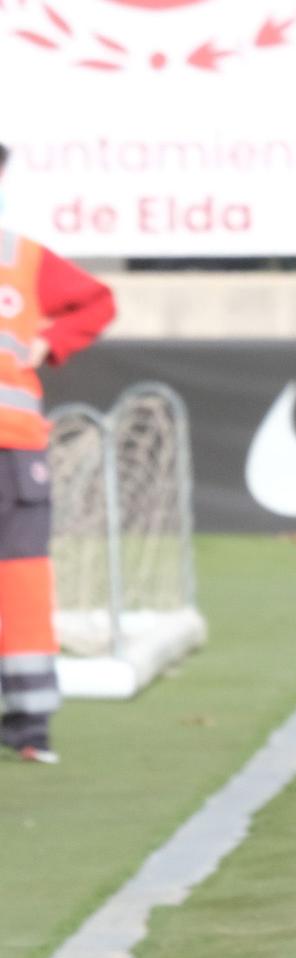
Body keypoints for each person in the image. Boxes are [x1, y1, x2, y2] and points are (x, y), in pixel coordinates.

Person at [0, 141, 115, 765]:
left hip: (13, 453)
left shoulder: (19, 255)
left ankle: (28, 727)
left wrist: (51, 343)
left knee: (19, 585)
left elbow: (96, 302)